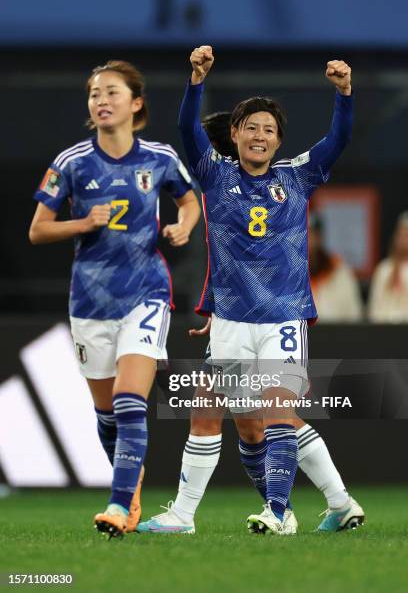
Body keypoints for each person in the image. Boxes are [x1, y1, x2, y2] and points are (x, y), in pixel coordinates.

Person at [138, 113, 364, 535]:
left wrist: (345, 96)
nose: (257, 139)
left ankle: (280, 510)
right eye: (250, 130)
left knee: (270, 415)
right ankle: (332, 502)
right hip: (232, 318)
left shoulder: (266, 179)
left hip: (274, 316)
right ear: (237, 137)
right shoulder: (224, 184)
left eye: (267, 131)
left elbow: (243, 258)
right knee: (232, 414)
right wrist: (212, 310)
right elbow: (227, 263)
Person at [29, 60, 201, 539]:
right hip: (89, 301)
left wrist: (183, 227)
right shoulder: (71, 163)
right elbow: (37, 229)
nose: (101, 101)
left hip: (146, 292)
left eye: (111, 92)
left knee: (129, 402)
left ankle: (118, 502)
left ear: (136, 103)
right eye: (93, 94)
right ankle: (133, 489)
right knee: (107, 416)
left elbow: (190, 201)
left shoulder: (160, 158)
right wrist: (83, 223)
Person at [309, 213, 363, 322]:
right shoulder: (285, 273)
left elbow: (354, 315)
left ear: (319, 238)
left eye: (311, 234)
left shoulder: (339, 270)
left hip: (335, 336)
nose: (308, 240)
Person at [368, 211, 408, 322]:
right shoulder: (383, 269)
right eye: (401, 235)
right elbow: (374, 309)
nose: (404, 240)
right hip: (384, 331)